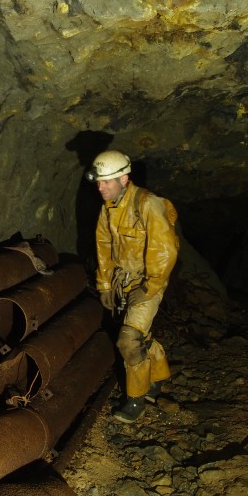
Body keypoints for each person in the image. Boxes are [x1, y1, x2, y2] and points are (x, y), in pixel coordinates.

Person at [85, 150, 179, 423]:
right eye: (98, 182)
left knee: (128, 339)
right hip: (123, 282)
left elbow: (165, 250)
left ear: (124, 179)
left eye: (106, 182)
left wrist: (150, 286)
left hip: (149, 280)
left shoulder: (149, 204)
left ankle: (136, 400)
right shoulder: (109, 207)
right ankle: (158, 378)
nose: (100, 187)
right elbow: (103, 246)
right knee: (141, 334)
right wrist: (104, 285)